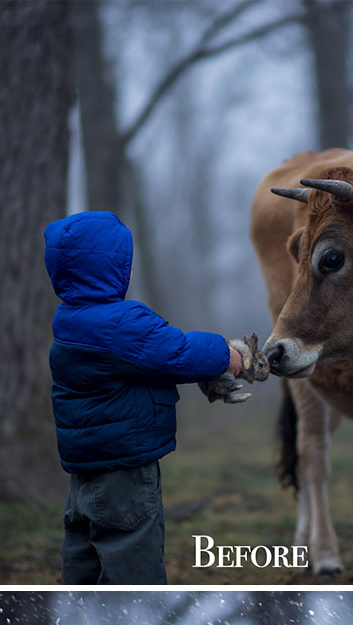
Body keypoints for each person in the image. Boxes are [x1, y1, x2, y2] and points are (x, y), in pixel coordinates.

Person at [44, 210, 256, 585]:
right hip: (123, 478)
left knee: (83, 561)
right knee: (134, 566)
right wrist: (228, 355)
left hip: (85, 476)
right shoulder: (119, 323)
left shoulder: (70, 319)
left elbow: (147, 366)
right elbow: (176, 352)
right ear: (115, 266)